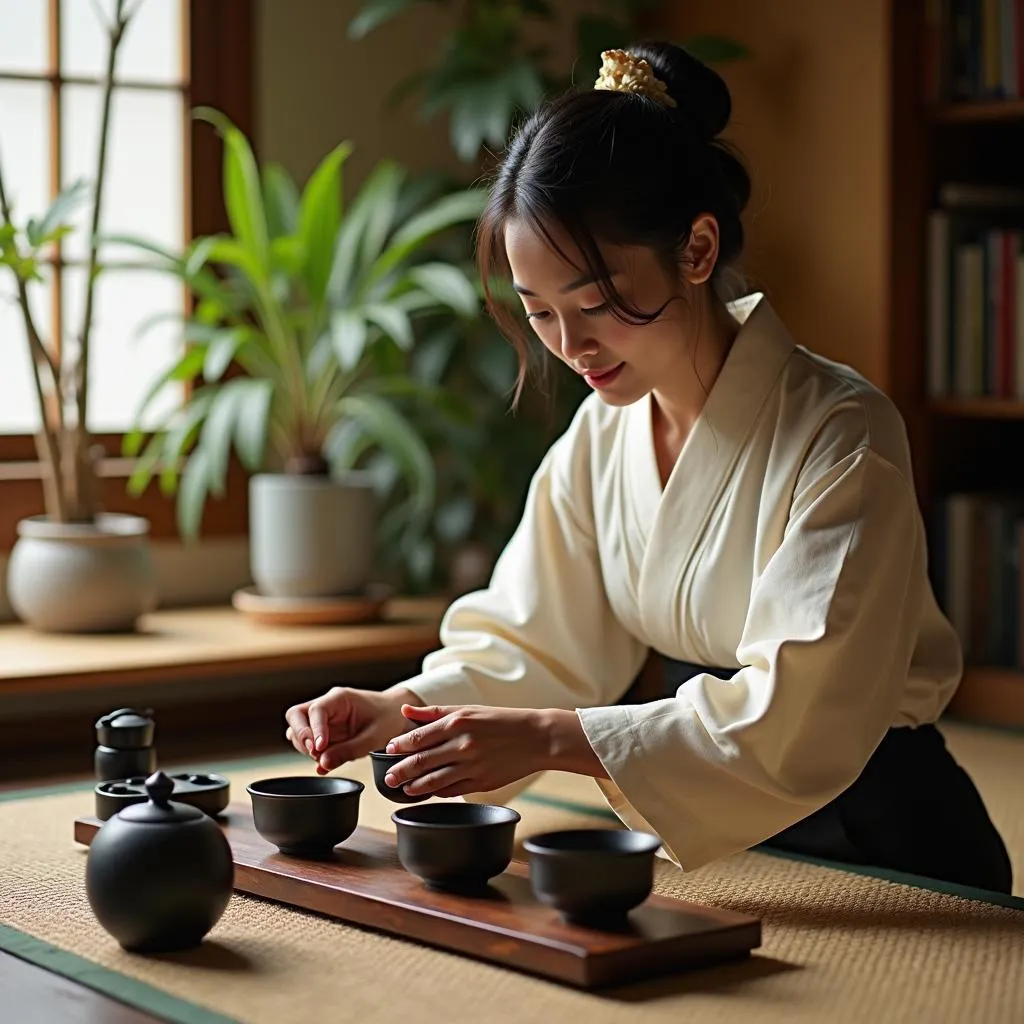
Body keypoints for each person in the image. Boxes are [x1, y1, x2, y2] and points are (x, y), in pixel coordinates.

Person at [285, 43, 1013, 894]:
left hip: (881, 828)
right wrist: (396, 713)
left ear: (697, 249)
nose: (571, 345)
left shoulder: (842, 433)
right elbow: (537, 641)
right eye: (541, 312)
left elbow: (802, 708)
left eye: (595, 303)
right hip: (706, 828)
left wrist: (560, 739)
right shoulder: (601, 439)